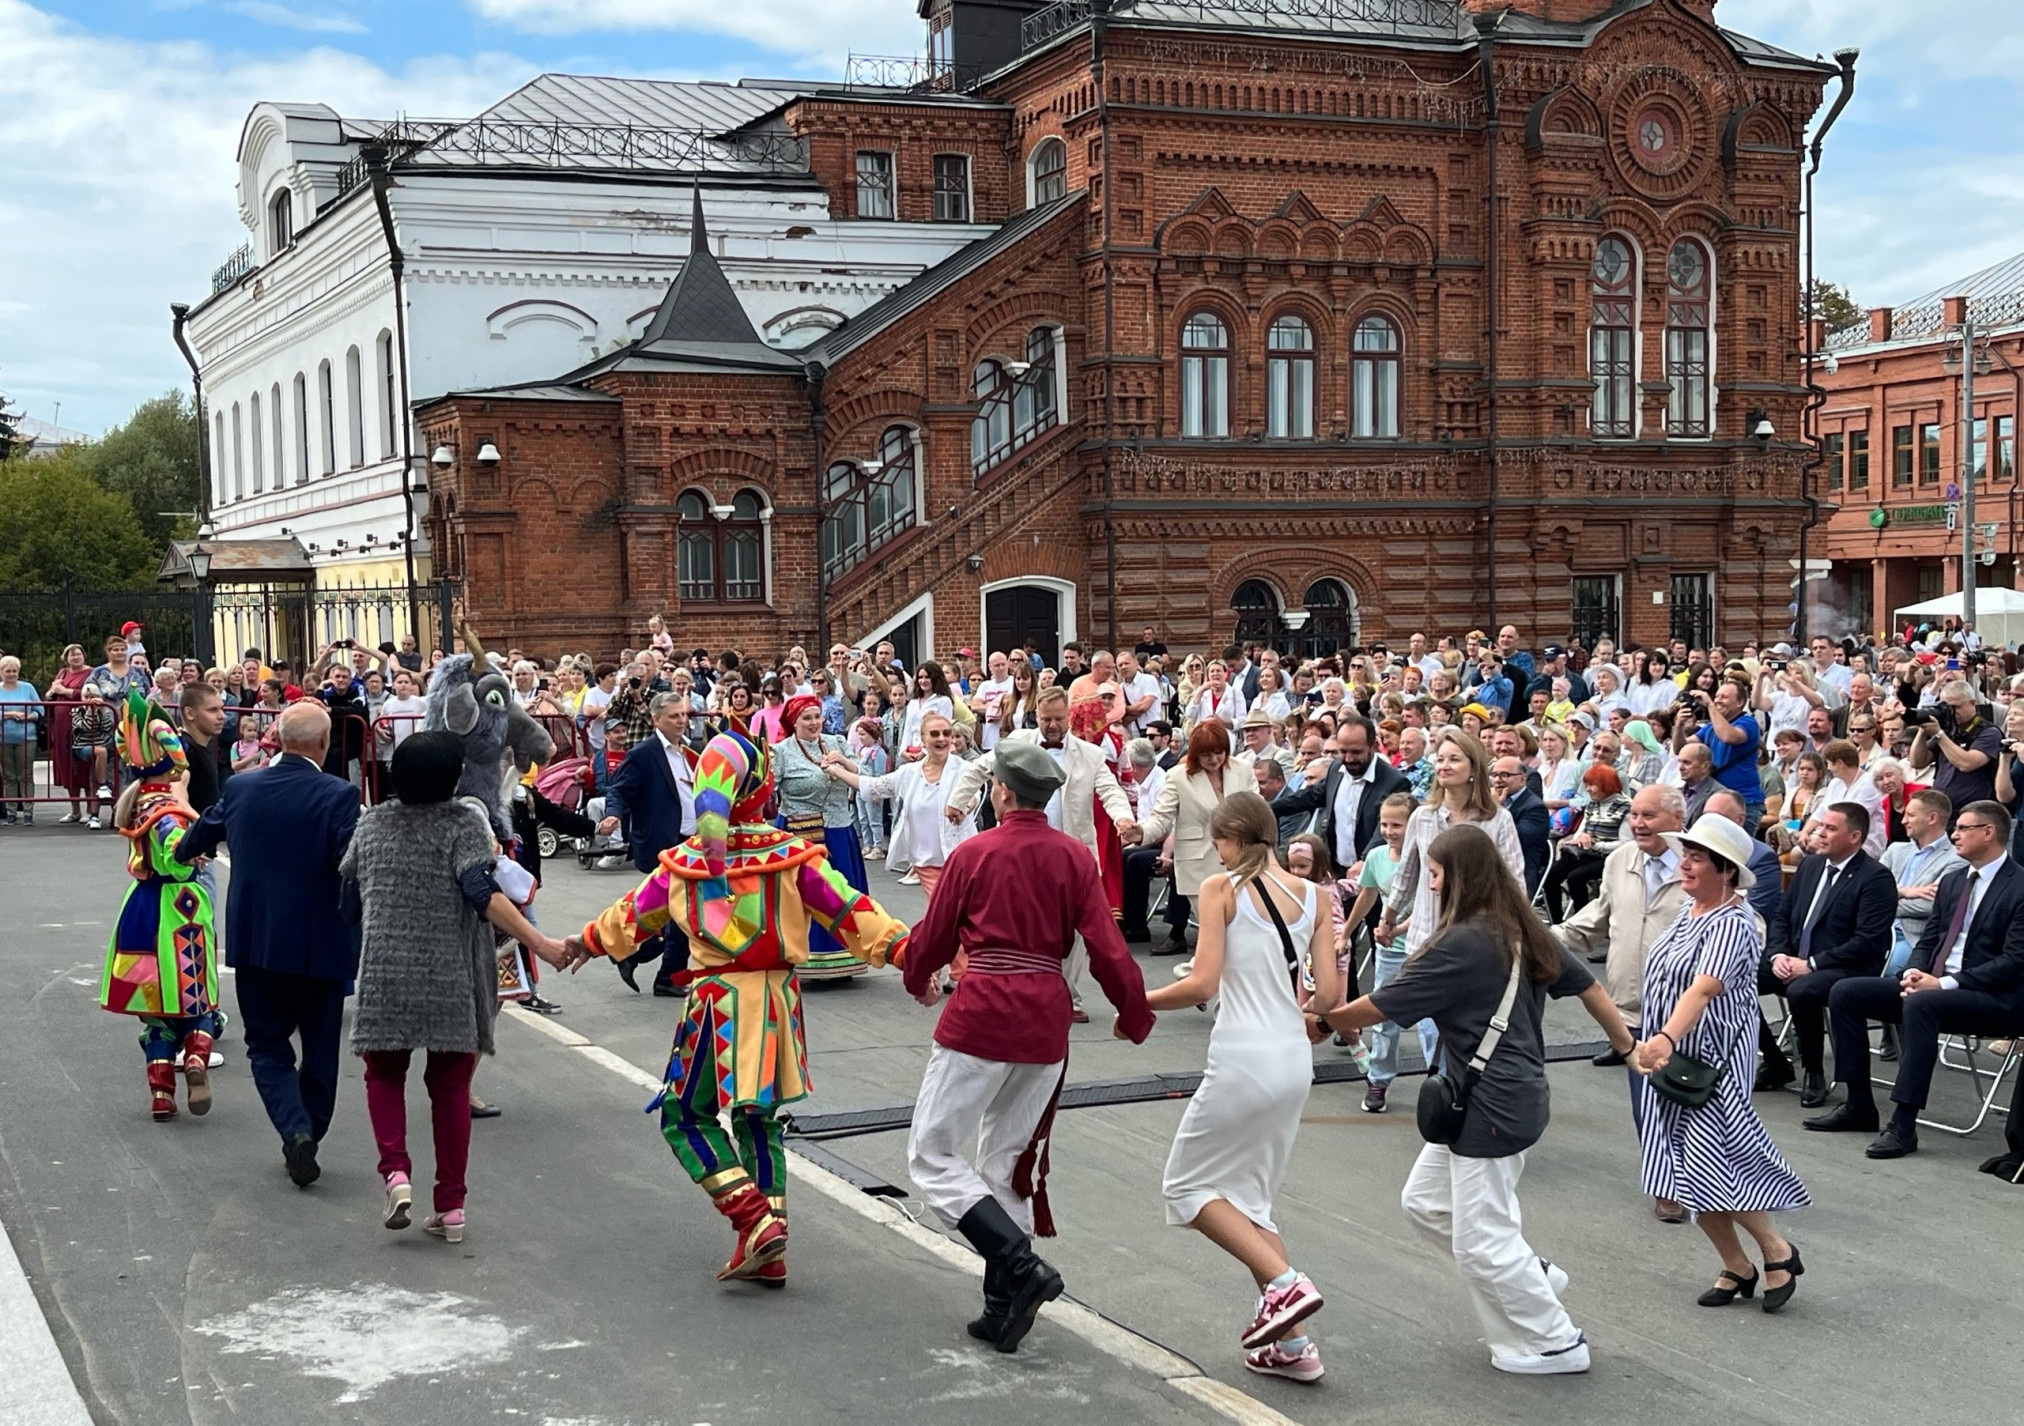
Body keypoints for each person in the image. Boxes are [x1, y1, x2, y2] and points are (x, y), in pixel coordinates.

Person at [567, 730, 911, 1287]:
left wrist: (581, 944)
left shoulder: (686, 865)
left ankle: (752, 1219)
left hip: (715, 1006)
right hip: (775, 1000)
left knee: (685, 1115)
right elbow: (852, 913)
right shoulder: (793, 860)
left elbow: (632, 915)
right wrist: (907, 951)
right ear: (761, 790)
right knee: (759, 1120)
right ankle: (769, 1241)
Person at [1325, 824, 1633, 1376]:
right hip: (1504, 1093)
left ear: (1459, 876)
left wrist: (1320, 1017)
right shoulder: (1517, 926)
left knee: (1481, 1242)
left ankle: (1558, 1340)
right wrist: (1628, 1046)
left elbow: (1374, 1007)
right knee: (1425, 1203)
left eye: (1436, 873)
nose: (1431, 885)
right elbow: (1589, 986)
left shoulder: (1460, 943)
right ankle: (1530, 1273)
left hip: (1489, 1104)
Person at [901, 739, 1154, 1352]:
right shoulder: (1073, 857)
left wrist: (919, 976)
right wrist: (1133, 1011)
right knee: (1007, 1164)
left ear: (1004, 791)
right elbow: (1107, 945)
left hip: (984, 1011)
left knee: (931, 1156)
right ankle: (1003, 1308)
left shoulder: (975, 852)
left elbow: (934, 936)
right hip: (1045, 1017)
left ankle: (1018, 1264)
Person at [341, 732, 573, 1242]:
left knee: (383, 1075)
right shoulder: (464, 823)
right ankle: (450, 1208)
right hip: (450, 972)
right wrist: (543, 943)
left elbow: (348, 897)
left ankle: (396, 1173)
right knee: (448, 1088)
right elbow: (479, 891)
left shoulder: (373, 823)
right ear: (453, 778)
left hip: (386, 970)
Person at [1145, 792, 1338, 1384]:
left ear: (1229, 839)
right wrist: (1312, 1016)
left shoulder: (1222, 890)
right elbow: (1328, 996)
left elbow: (1202, 982)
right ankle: (1293, 1345)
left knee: (1185, 1186)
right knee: (1251, 1200)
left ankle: (1286, 1284)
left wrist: (1138, 1000)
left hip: (1242, 1057)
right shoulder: (1317, 896)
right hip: (1291, 1059)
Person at [177, 701, 361, 1188]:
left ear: (276, 737)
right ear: (323, 744)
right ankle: (309, 1133)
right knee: (321, 1047)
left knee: (267, 1045)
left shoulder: (241, 786)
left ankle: (294, 1129)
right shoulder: (340, 794)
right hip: (321, 941)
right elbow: (354, 864)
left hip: (256, 941)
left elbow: (194, 840)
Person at [1631, 815, 1810, 1311]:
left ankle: (1776, 1249)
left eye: (1696, 857)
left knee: (1713, 1166)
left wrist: (1665, 1036)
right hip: (1668, 1057)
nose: (1684, 863)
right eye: (1684, 854)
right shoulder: (1686, 912)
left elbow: (1704, 987)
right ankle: (1737, 1263)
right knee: (1678, 1170)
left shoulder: (1735, 922)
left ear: (1726, 870)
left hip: (1711, 1062)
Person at [1812, 801, 2024, 1161]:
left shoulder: (2019, 886)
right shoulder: (1955, 880)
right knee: (1847, 991)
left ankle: (1903, 1124)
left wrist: (1942, 985)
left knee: (1923, 1003)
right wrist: (1914, 971)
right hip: (1936, 986)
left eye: (1964, 828)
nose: (1954, 834)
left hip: (1993, 998)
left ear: (1989, 832)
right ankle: (1859, 1103)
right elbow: (1930, 938)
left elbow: (2015, 962)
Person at [944, 687, 1136, 1018]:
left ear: (1069, 717)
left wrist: (1123, 818)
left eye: (1058, 719)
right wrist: (957, 801)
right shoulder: (1018, 743)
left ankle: (1069, 995)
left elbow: (1110, 791)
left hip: (1075, 855)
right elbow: (977, 769)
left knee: (1077, 931)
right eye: (1046, 719)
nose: (1052, 725)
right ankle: (1031, 990)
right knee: (1028, 924)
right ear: (1037, 717)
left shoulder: (1090, 754)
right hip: (1025, 853)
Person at [99, 693, 221, 1121]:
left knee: (155, 1011)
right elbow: (174, 850)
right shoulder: (168, 810)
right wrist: (197, 844)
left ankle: (161, 1094)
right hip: (179, 908)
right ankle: (196, 1058)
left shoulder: (135, 804)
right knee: (197, 1000)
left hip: (141, 908)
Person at [1757, 803, 1895, 1105]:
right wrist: (1778, 954)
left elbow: (1868, 942)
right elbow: (1782, 915)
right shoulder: (1811, 866)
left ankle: (1814, 1070)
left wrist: (1812, 964)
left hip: (1847, 968)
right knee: (1734, 977)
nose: (1820, 833)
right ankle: (1775, 1060)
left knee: (1803, 989)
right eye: (1821, 826)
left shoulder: (1875, 878)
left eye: (1831, 828)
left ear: (1855, 837)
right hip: (1794, 959)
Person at [597, 693, 699, 995]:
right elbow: (618, 790)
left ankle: (634, 956)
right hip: (663, 844)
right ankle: (667, 977)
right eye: (673, 716)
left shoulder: (691, 752)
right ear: (656, 719)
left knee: (676, 914)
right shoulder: (644, 754)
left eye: (683, 715)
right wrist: (613, 815)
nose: (681, 721)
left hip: (693, 843)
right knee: (682, 914)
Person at [771, 694, 877, 983]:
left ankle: (845, 957)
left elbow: (866, 777)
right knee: (806, 897)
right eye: (807, 718)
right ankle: (804, 957)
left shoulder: (838, 743)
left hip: (839, 829)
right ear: (794, 721)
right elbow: (770, 790)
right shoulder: (781, 752)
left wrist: (842, 762)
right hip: (801, 832)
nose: (814, 722)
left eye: (817, 716)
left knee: (841, 895)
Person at [1135, 720, 1259, 957]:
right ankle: (1213, 981)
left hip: (1244, 861)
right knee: (1216, 933)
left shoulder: (1243, 768)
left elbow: (1257, 809)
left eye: (1219, 752)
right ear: (1194, 754)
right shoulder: (1177, 776)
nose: (1214, 759)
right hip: (1198, 864)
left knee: (1243, 930)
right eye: (1206, 755)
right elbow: (1161, 817)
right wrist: (1140, 833)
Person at [825, 710, 975, 905]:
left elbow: (973, 795)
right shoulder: (909, 773)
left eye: (947, 734)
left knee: (955, 919)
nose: (942, 739)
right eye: (935, 734)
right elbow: (872, 786)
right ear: (922, 739)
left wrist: (964, 807)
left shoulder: (964, 769)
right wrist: (836, 769)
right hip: (926, 865)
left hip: (959, 862)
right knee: (946, 917)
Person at [1266, 715, 1409, 880]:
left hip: (1372, 875)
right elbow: (1310, 796)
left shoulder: (1394, 782)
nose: (1348, 759)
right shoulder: (1336, 768)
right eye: (1343, 751)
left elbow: (1385, 830)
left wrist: (1366, 860)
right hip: (1336, 871)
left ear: (1373, 746)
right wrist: (1268, 808)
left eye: (1356, 752)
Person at [1541, 763, 1631, 922]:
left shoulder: (1626, 806)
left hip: (1608, 857)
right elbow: (1581, 832)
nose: (1587, 789)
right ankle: (1557, 922)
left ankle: (1582, 921)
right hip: (1584, 852)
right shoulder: (1592, 803)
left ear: (1607, 785)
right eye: (1587, 785)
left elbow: (1626, 843)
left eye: (1592, 785)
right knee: (1550, 876)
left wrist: (1596, 844)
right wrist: (1582, 838)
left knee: (1576, 878)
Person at [1908, 680, 2003, 808]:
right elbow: (1917, 762)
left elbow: (1967, 764)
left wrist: (1939, 734)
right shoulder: (1947, 731)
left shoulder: (1989, 732)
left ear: (1973, 704)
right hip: (1942, 809)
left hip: (1975, 810)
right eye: (1947, 708)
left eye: (1956, 707)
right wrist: (1922, 729)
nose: (1951, 712)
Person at [1491, 755, 1549, 897]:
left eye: (1505, 775)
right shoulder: (1490, 800)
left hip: (1517, 875)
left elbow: (1516, 839)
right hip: (1488, 868)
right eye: (1494, 775)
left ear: (1523, 779)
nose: (1498, 780)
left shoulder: (1535, 807)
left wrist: (1496, 810)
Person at [0, 656, 40, 823]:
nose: (11, 674)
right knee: (9, 776)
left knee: (26, 775)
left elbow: (40, 710)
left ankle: (28, 811)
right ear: (1, 672)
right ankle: (11, 812)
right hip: (3, 738)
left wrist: (28, 716)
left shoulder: (27, 687)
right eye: (7, 671)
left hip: (27, 737)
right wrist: (10, 714)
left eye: (14, 671)